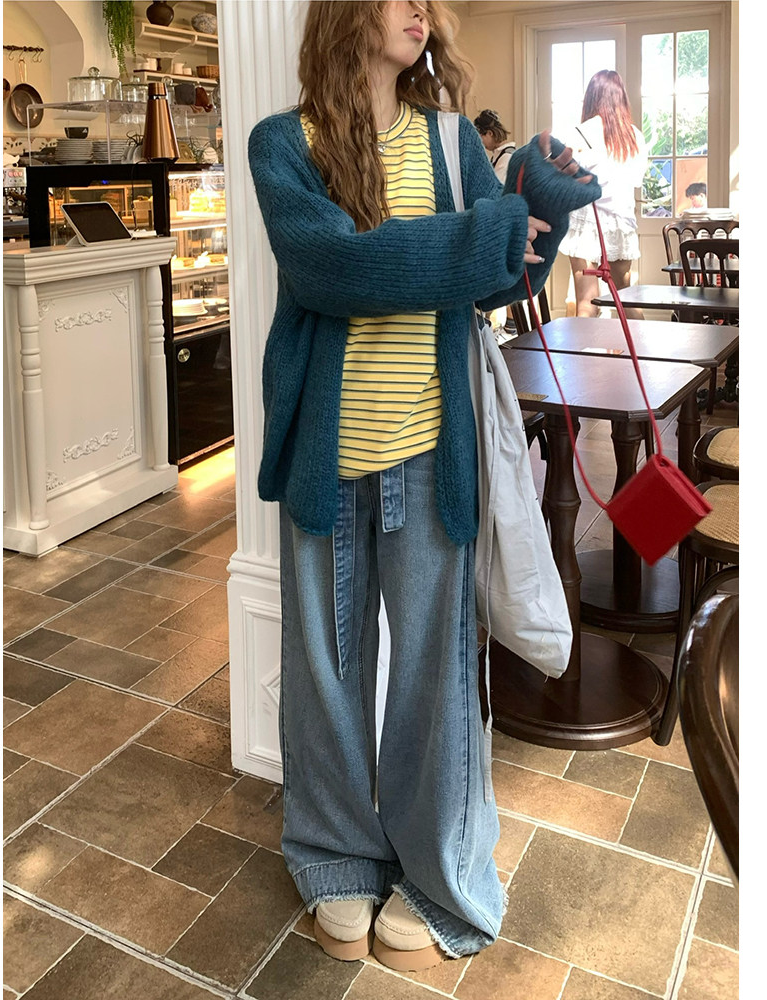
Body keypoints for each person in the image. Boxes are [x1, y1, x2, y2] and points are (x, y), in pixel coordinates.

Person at [247, 0, 599, 973]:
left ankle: (441, 872)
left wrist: (540, 214)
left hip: (428, 451)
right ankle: (334, 854)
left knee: (434, 681)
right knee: (326, 677)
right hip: (324, 459)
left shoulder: (450, 142)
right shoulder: (283, 144)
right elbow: (331, 269)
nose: (419, 8)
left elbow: (496, 281)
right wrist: (481, 235)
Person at [558, 69, 648, 318]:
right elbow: (636, 180)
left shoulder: (580, 133)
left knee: (587, 304)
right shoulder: (634, 137)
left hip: (586, 222)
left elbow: (565, 180)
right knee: (627, 302)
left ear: (592, 97)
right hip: (621, 223)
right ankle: (640, 345)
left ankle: (587, 347)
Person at [473, 108, 515, 183]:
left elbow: (494, 186)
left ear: (490, 133)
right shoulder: (497, 156)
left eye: (480, 137)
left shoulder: (506, 157)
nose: (480, 142)